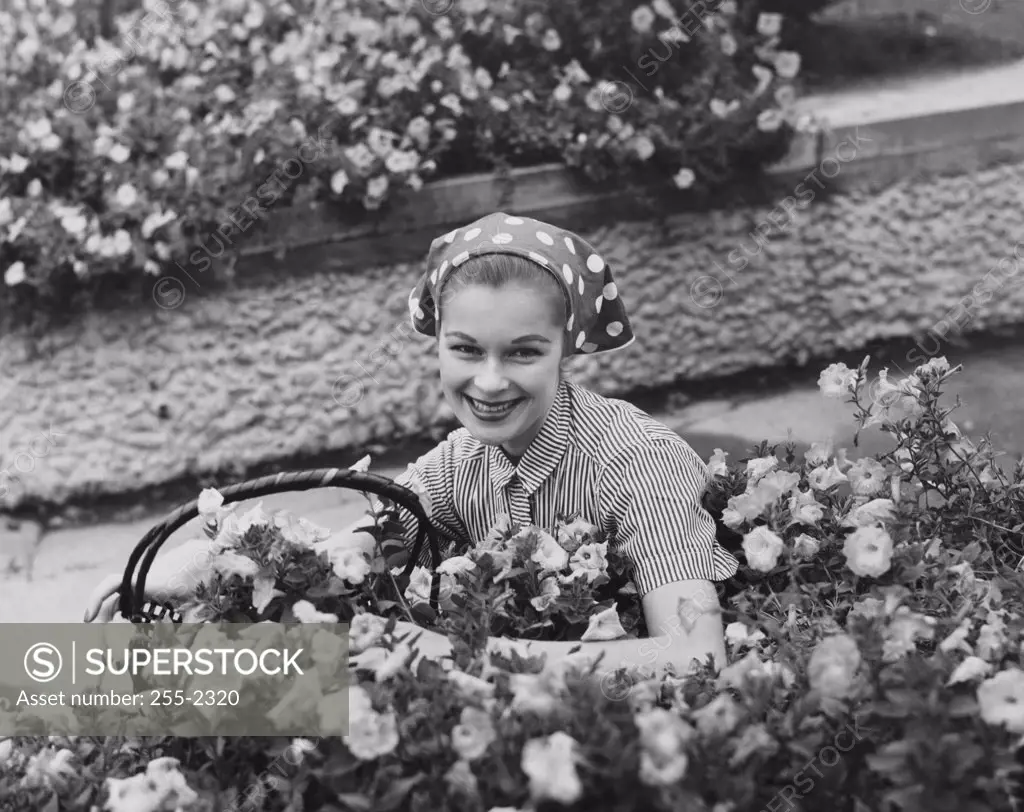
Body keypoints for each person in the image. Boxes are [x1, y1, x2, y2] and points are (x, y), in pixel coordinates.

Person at [85, 212, 739, 675]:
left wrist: (453, 654)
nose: (488, 381)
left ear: (566, 348)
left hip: (614, 751)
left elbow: (695, 654)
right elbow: (348, 551)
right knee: (84, 694)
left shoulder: (635, 465)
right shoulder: (463, 463)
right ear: (439, 343)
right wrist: (212, 579)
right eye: (464, 350)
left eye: (522, 353)